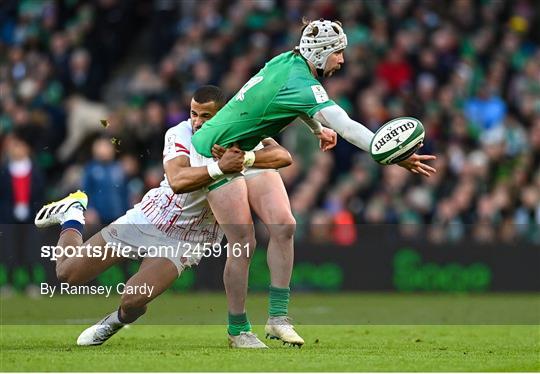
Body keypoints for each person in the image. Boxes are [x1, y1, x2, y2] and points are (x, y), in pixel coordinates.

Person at [189, 19, 437, 346]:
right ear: (320, 54)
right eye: (338, 53)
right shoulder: (303, 82)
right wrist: (391, 153)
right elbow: (347, 127)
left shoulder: (287, 61)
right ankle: (238, 330)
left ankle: (278, 318)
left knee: (284, 225)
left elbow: (289, 102)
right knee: (244, 241)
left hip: (247, 148)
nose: (342, 60)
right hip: (213, 153)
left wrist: (316, 129)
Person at [34, 86, 292, 347]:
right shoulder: (179, 133)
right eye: (194, 113)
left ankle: (115, 321)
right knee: (67, 274)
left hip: (184, 242)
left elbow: (282, 156)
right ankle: (73, 213)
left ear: (223, 114)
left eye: (206, 116)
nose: (198, 122)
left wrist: (247, 158)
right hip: (149, 218)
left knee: (133, 300)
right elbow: (178, 180)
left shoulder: (239, 136)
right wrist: (219, 167)